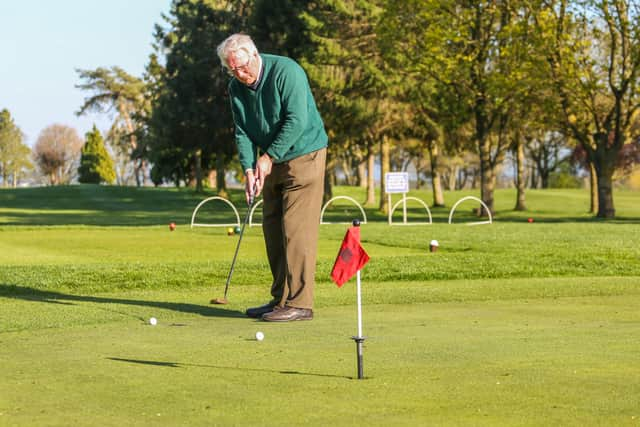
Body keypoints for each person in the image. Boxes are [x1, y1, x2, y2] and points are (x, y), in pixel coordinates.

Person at [216, 33, 328, 322]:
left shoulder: (286, 71)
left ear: (255, 55)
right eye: (233, 70)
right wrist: (249, 169)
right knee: (272, 227)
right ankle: (280, 299)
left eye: (243, 67)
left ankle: (301, 302)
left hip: (305, 153)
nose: (240, 74)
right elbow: (242, 130)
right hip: (271, 160)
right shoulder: (236, 88)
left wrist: (268, 157)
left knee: (295, 228)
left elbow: (297, 120)